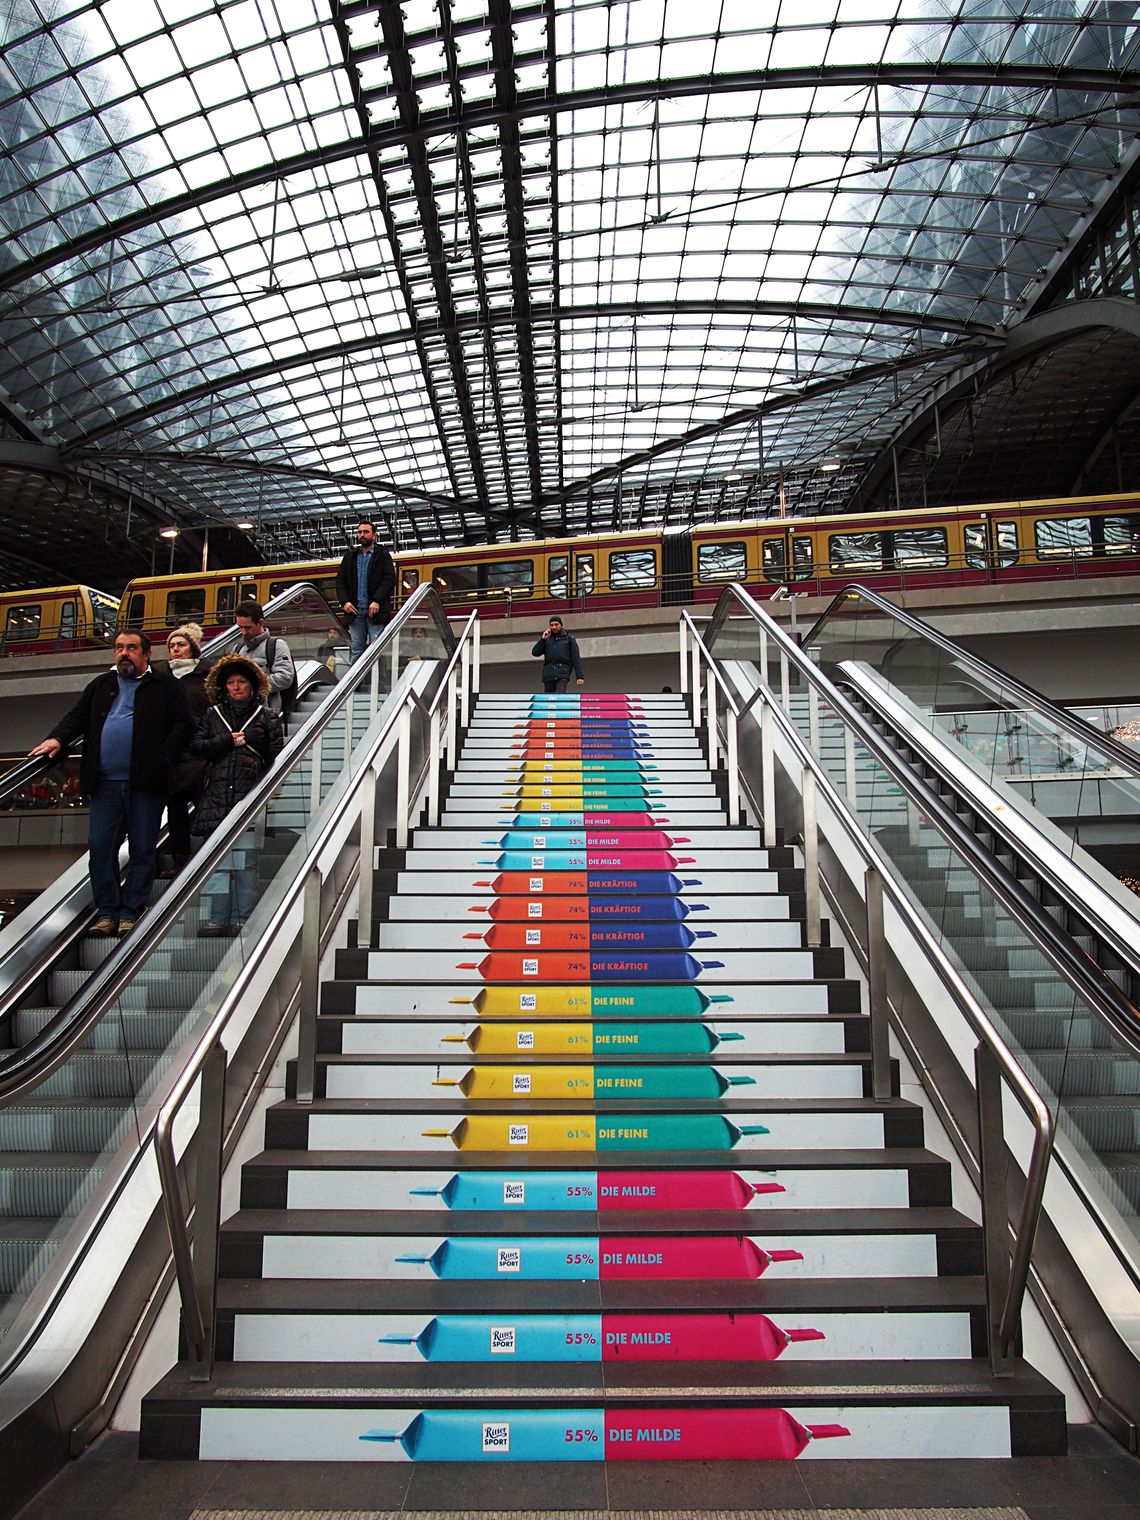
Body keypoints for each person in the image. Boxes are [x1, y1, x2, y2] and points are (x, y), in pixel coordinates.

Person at [28, 631, 192, 936]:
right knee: (100, 848)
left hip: (146, 784)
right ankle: (106, 911)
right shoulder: (101, 685)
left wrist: (163, 759)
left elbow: (184, 725)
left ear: (146, 655)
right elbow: (76, 717)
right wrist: (56, 738)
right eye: (119, 648)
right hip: (104, 784)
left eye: (131, 648)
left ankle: (131, 910)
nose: (124, 653)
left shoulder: (165, 685)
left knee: (143, 849)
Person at [188, 653, 283, 937]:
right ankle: (218, 918)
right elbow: (196, 747)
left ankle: (244, 918)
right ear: (224, 686)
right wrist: (225, 741)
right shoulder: (212, 715)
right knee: (218, 862)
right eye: (231, 682)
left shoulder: (266, 717)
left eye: (242, 681)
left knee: (246, 863)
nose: (237, 687)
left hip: (249, 799)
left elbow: (276, 755)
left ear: (253, 685)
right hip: (217, 799)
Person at [161, 622, 211, 877]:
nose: (175, 650)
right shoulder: (160, 676)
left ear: (192, 647)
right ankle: (180, 860)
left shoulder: (207, 675)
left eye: (180, 645)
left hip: (201, 752)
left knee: (205, 806)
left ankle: (208, 859)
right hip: (171, 754)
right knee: (175, 811)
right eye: (171, 646)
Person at [335, 519, 397, 664]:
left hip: (375, 611)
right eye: (360, 532)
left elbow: (389, 580)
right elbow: (340, 581)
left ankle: (379, 684)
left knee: (377, 649)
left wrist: (377, 600)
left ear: (374, 535)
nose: (362, 535)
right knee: (357, 649)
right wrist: (345, 602)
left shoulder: (382, 555)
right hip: (355, 611)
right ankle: (354, 686)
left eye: (366, 532)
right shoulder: (350, 556)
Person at [234, 600, 295, 717]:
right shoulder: (238, 648)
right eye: (240, 627)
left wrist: (251, 684)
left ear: (260, 623)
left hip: (267, 714)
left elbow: (285, 678)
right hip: (241, 715)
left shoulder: (277, 645)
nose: (243, 632)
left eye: (247, 627)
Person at [532, 616, 585, 693]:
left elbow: (576, 658)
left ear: (561, 625)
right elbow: (535, 653)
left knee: (559, 695)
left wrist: (580, 676)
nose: (554, 627)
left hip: (563, 672)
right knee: (548, 698)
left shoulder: (569, 638)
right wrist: (542, 639)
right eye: (551, 625)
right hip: (548, 673)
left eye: (556, 624)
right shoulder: (547, 639)